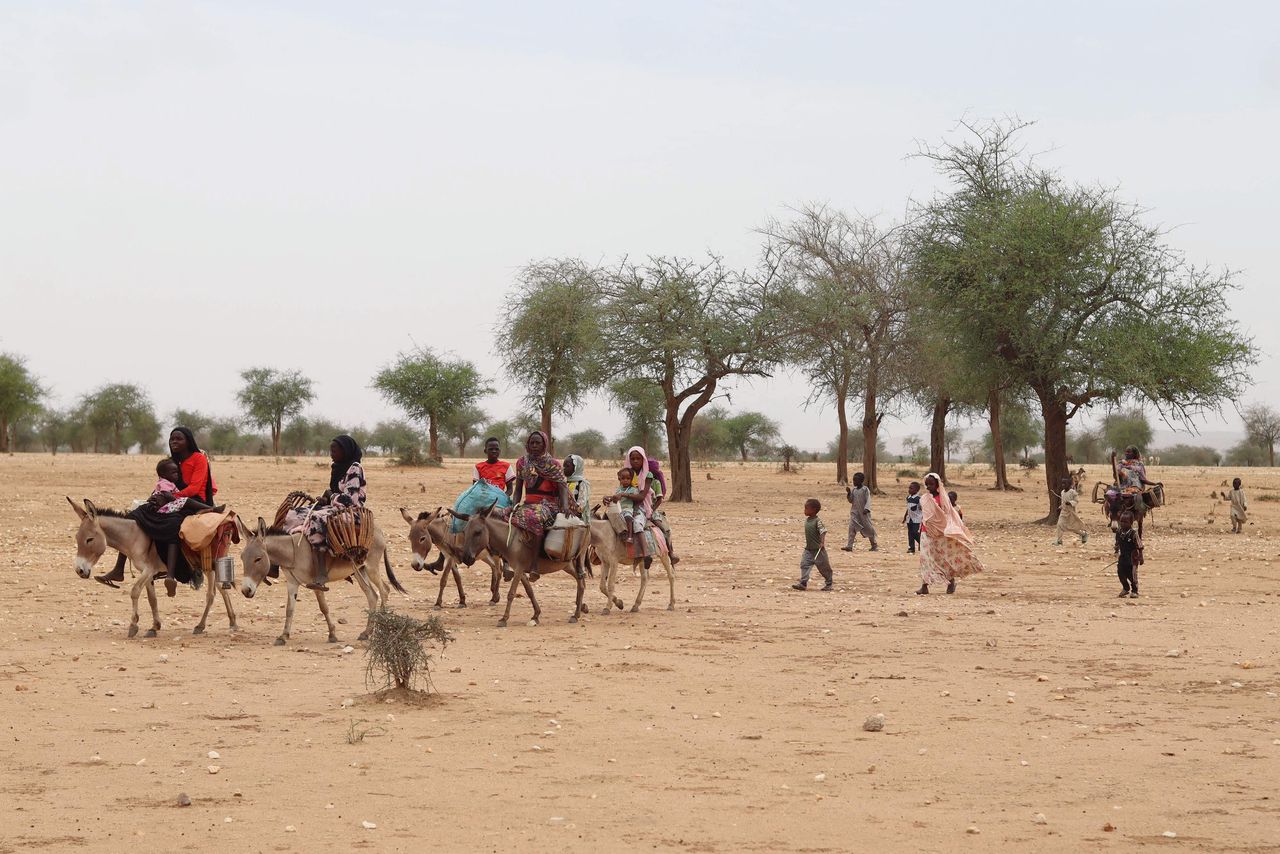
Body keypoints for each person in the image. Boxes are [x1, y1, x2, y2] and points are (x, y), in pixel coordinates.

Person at [97, 426, 219, 593]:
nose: (174, 442)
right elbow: (164, 482)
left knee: (173, 524)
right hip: (172, 498)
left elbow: (195, 487)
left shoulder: (199, 459)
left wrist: (171, 497)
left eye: (178, 439)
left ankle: (169, 574)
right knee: (134, 517)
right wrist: (155, 499)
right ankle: (119, 569)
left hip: (193, 501)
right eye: (172, 439)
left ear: (188, 441)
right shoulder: (173, 461)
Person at [290, 435, 366, 591]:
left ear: (345, 451)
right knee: (294, 514)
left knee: (317, 518)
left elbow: (351, 499)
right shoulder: (338, 466)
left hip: (353, 511)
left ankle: (321, 571)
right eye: (331, 450)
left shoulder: (355, 468)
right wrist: (326, 499)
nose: (331, 454)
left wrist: (330, 496)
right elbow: (336, 493)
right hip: (336, 507)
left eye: (334, 450)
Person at [916, 473, 985, 595]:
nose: (928, 487)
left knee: (944, 559)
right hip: (926, 532)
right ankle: (924, 586)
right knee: (926, 559)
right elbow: (925, 515)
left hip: (941, 533)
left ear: (937, 484)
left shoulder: (943, 499)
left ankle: (951, 581)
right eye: (926, 484)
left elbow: (948, 515)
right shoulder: (924, 499)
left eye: (931, 484)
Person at [506, 431, 573, 549]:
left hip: (548, 505)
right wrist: (514, 506)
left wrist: (565, 506)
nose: (534, 445)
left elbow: (562, 487)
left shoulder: (553, 464)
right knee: (503, 515)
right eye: (532, 443)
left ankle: (535, 561)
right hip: (528, 504)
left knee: (533, 517)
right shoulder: (522, 463)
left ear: (544, 444)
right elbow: (518, 490)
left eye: (538, 443)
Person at [602, 446, 657, 559]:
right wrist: (609, 498)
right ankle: (600, 552)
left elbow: (641, 496)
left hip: (640, 506)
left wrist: (623, 495)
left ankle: (646, 553)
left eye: (638, 458)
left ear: (643, 460)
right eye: (633, 459)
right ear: (629, 460)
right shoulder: (626, 473)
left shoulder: (648, 475)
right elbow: (621, 490)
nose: (635, 461)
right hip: (625, 506)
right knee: (605, 522)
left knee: (636, 524)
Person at [792, 498, 833, 591]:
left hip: (818, 550)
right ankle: (803, 583)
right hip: (809, 549)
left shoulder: (817, 521)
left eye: (806, 508)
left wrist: (822, 542)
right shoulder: (807, 520)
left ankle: (829, 583)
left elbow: (823, 531)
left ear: (813, 510)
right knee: (804, 564)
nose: (804, 511)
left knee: (824, 568)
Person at [647, 457, 679, 564]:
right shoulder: (638, 480)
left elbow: (659, 499)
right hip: (639, 509)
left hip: (652, 510)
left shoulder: (656, 483)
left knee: (664, 529)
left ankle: (670, 553)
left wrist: (651, 510)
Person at [841, 471, 878, 552]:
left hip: (864, 513)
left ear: (861, 481)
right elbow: (851, 500)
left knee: (869, 528)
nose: (854, 482)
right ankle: (849, 546)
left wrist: (867, 509)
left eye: (856, 480)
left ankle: (874, 545)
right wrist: (848, 493)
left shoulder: (865, 490)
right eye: (853, 480)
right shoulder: (854, 490)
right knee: (851, 528)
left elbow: (868, 500)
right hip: (855, 513)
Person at [1114, 510, 1142, 598]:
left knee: (1132, 575)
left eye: (1125, 522)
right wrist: (1116, 549)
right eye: (1121, 521)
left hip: (1132, 558)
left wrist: (1141, 557)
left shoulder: (1133, 534)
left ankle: (1135, 590)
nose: (1122, 524)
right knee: (1120, 572)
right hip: (1122, 557)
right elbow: (1117, 542)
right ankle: (1125, 588)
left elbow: (1140, 546)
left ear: (1131, 523)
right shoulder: (1119, 532)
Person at [1054, 475, 1089, 545]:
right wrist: (1060, 507)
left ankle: (1083, 534)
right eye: (1062, 483)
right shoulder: (1062, 492)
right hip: (1063, 512)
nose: (1063, 485)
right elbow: (1063, 502)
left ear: (1069, 485)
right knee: (1059, 525)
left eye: (1065, 484)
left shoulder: (1072, 492)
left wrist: (1070, 503)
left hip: (1071, 513)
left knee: (1073, 528)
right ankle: (1059, 541)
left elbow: (1076, 501)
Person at [613, 467, 641, 545]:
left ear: (631, 479)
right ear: (619, 479)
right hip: (619, 509)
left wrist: (624, 495)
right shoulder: (619, 489)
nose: (625, 480)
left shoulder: (633, 489)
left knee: (628, 518)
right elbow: (615, 498)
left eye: (628, 478)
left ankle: (630, 536)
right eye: (623, 478)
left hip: (627, 508)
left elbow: (636, 499)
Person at [563, 454, 592, 524]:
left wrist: (575, 510)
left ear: (576, 468)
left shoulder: (582, 483)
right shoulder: (564, 482)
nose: (564, 468)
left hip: (577, 515)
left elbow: (582, 501)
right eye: (563, 466)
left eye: (567, 466)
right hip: (565, 512)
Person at [902, 481, 922, 554]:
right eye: (909, 488)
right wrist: (905, 517)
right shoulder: (908, 498)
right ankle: (911, 547)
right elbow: (908, 508)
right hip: (909, 519)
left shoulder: (919, 499)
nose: (909, 490)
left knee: (915, 532)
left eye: (911, 488)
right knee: (910, 533)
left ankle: (922, 543)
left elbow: (922, 508)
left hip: (917, 519)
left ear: (916, 490)